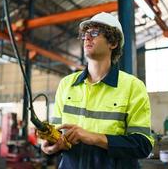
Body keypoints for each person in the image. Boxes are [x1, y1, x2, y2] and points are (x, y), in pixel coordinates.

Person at [41, 12, 154, 169]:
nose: (87, 38)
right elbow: (57, 135)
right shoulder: (66, 84)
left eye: (94, 33)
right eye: (85, 34)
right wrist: (50, 147)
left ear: (113, 43)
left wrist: (93, 138)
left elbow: (142, 145)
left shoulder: (133, 86)